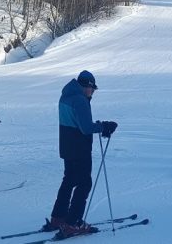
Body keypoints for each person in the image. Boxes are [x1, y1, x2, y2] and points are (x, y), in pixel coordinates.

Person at [45, 70, 118, 239]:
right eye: (93, 89)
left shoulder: (66, 96)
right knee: (84, 183)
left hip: (67, 146)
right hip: (80, 148)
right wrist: (104, 126)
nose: (93, 93)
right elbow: (85, 128)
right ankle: (73, 223)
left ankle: (58, 218)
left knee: (69, 180)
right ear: (88, 86)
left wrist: (98, 125)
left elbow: (76, 122)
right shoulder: (79, 100)